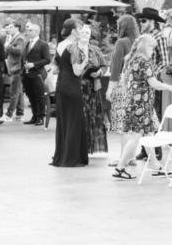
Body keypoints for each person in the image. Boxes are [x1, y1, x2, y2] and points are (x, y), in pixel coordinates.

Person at [111, 33, 172, 180]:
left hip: (134, 102)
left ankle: (156, 165)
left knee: (149, 134)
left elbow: (123, 81)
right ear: (146, 46)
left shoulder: (130, 60)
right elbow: (153, 83)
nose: (153, 52)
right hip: (142, 104)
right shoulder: (145, 61)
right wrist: (168, 87)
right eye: (152, 49)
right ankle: (120, 167)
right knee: (136, 136)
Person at [51, 19, 89, 167]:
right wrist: (85, 60)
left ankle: (62, 156)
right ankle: (72, 158)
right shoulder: (73, 48)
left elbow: (54, 69)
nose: (81, 31)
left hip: (60, 86)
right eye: (80, 29)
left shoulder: (60, 45)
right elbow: (77, 71)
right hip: (72, 87)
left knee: (64, 122)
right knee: (74, 121)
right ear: (74, 31)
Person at [107, 14, 140, 167]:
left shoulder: (121, 42)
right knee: (132, 125)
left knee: (122, 124)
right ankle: (131, 157)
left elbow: (116, 68)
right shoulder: (138, 42)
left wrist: (110, 88)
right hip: (136, 86)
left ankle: (123, 158)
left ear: (123, 26)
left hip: (122, 85)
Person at [80, 21, 108, 155]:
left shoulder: (96, 50)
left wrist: (99, 73)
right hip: (78, 88)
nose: (85, 34)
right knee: (81, 118)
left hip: (93, 88)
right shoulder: (73, 49)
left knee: (93, 117)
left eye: (87, 33)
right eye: (83, 32)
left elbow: (104, 66)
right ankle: (80, 147)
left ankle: (91, 147)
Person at [21, 21, 51, 126]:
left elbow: (47, 59)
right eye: (27, 30)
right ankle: (34, 116)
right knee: (31, 96)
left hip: (37, 74)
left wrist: (34, 64)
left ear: (37, 31)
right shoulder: (26, 43)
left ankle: (41, 117)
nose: (27, 31)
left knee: (39, 96)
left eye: (30, 30)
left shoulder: (43, 44)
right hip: (26, 74)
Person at [3, 20, 26, 121]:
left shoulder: (19, 38)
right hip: (14, 68)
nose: (9, 29)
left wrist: (8, 46)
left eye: (11, 27)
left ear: (16, 28)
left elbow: (19, 51)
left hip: (16, 68)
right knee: (19, 92)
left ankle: (9, 114)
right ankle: (20, 112)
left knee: (14, 93)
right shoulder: (15, 37)